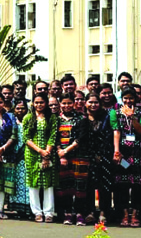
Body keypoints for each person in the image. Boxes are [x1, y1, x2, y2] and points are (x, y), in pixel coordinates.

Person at [109, 86, 141, 227]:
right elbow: (116, 131)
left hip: (138, 153)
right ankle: (124, 214)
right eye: (125, 98)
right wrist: (116, 151)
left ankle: (136, 214)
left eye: (131, 98)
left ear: (136, 99)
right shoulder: (115, 112)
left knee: (138, 184)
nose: (128, 101)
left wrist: (132, 117)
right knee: (122, 183)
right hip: (123, 154)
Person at [77, 93, 112, 225]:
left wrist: (101, 154)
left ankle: (103, 212)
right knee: (88, 185)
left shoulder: (106, 118)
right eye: (90, 102)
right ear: (85, 103)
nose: (93, 105)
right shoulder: (81, 119)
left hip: (104, 156)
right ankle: (90, 212)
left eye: (96, 102)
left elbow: (110, 136)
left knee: (105, 185)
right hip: (86, 157)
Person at [23, 93, 58, 223]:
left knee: (48, 183)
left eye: (41, 102)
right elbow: (26, 138)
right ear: (33, 103)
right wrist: (40, 151)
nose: (39, 105)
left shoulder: (52, 118)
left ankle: (48, 212)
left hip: (49, 153)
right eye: (36, 102)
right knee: (33, 183)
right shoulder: (28, 118)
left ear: (46, 103)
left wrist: (46, 154)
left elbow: (53, 136)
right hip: (32, 154)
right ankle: (37, 212)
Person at [55, 94, 84, 225]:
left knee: (79, 186)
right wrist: (60, 153)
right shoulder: (56, 119)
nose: (66, 106)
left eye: (69, 103)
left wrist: (66, 151)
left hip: (78, 156)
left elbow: (80, 138)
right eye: (64, 103)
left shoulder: (80, 119)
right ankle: (66, 213)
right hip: (61, 158)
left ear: (73, 104)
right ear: (60, 104)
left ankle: (79, 213)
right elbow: (54, 138)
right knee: (64, 186)